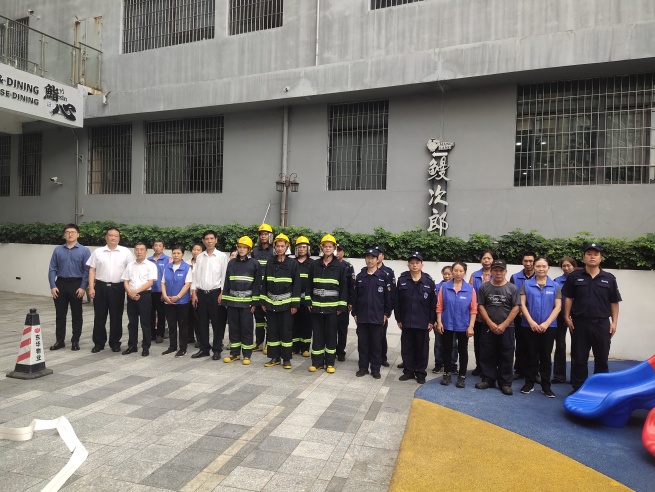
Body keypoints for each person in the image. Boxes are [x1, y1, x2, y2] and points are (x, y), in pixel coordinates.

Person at [562, 243, 621, 395]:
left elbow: (614, 302)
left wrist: (614, 322)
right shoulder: (574, 277)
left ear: (601, 258)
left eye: (596, 254)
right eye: (589, 254)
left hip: (601, 324)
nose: (592, 257)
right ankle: (578, 388)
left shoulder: (609, 278)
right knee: (579, 358)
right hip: (579, 324)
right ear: (583, 258)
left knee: (601, 358)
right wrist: (566, 316)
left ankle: (599, 389)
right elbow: (568, 297)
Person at [475, 259, 521, 395]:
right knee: (487, 353)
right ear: (491, 272)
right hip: (488, 327)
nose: (498, 273)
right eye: (495, 270)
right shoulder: (484, 287)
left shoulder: (512, 288)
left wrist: (504, 324)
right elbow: (481, 306)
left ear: (505, 272)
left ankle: (505, 383)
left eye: (501, 270)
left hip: (507, 327)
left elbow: (516, 307)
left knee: (506, 355)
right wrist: (490, 323)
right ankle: (488, 379)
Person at [87, 227, 135, 353]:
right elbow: (92, 270)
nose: (113, 237)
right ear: (106, 237)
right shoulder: (98, 252)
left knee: (116, 317)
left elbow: (131, 270)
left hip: (117, 288)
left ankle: (115, 343)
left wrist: (129, 289)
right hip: (100, 287)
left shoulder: (125, 252)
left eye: (116, 236)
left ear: (119, 238)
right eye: (110, 235)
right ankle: (99, 343)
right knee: (99, 316)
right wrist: (91, 287)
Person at [519, 257, 561, 398]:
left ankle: (546, 386)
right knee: (530, 355)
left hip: (549, 327)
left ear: (548, 268)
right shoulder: (526, 284)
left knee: (546, 357)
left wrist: (546, 323)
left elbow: (558, 307)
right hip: (529, 326)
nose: (541, 269)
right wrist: (531, 322)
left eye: (544, 266)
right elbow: (522, 304)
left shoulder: (555, 286)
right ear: (534, 267)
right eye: (538, 266)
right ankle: (529, 383)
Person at [307, 234, 348, 374]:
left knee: (331, 336)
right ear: (322, 248)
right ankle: (317, 363)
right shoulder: (314, 265)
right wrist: (308, 301)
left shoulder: (340, 266)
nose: (328, 248)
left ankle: (330, 363)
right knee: (317, 336)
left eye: (330, 246)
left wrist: (341, 306)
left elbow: (344, 288)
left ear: (334, 248)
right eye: (325, 246)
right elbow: (309, 285)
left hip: (332, 308)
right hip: (316, 307)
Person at [47, 223, 91, 351]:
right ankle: (59, 341)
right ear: (64, 235)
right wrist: (52, 285)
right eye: (67, 232)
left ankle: (75, 340)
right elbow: (52, 268)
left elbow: (87, 270)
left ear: (78, 234)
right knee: (60, 314)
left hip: (77, 284)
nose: (70, 234)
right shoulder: (58, 250)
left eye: (73, 232)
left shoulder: (84, 251)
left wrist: (83, 287)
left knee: (77, 314)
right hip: (60, 284)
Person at [396, 252, 436, 385]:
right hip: (406, 321)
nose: (414, 265)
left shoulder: (428, 281)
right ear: (408, 265)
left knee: (422, 349)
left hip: (423, 322)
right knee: (407, 348)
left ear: (422, 265)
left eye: (417, 263)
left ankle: (420, 373)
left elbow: (433, 304)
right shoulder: (402, 280)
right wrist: (398, 319)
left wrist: (431, 321)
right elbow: (397, 302)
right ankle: (408, 371)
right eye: (412, 263)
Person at [260, 233, 300, 369]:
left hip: (286, 304)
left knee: (286, 332)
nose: (280, 248)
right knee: (272, 331)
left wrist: (295, 304)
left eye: (282, 246)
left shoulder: (293, 263)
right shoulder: (270, 262)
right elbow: (265, 282)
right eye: (277, 246)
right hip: (271, 304)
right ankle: (274, 357)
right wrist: (263, 302)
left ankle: (286, 359)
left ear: (287, 247)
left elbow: (296, 285)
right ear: (275, 247)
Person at [352, 248, 392, 379]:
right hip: (362, 317)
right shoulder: (360, 277)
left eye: (373, 258)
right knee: (363, 345)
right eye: (368, 257)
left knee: (376, 345)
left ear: (377, 259)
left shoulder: (383, 276)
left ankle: (375, 369)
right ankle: (363, 368)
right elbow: (355, 297)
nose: (370, 260)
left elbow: (388, 298)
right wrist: (355, 313)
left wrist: (386, 314)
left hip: (377, 317)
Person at [437, 262, 477, 388]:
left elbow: (473, 309)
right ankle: (447, 373)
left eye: (461, 271)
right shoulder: (445, 287)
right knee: (447, 349)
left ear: (464, 272)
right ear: (452, 271)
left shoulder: (470, 289)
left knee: (463, 350)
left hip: (463, 325)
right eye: (455, 270)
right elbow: (439, 306)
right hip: (447, 323)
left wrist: (471, 326)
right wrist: (439, 322)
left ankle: (462, 375)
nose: (458, 273)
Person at [190, 230, 229, 360]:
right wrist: (194, 292)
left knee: (218, 323)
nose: (209, 241)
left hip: (216, 293)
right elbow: (196, 276)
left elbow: (224, 276)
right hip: (201, 293)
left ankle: (217, 349)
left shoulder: (222, 256)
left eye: (212, 238)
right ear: (203, 241)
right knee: (202, 323)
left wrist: (222, 293)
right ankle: (204, 348)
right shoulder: (200, 257)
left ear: (216, 240)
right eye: (206, 239)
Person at [222, 236, 260, 365]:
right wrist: (225, 301)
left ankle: (247, 355)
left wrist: (254, 302)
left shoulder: (254, 263)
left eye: (244, 247)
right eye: (240, 247)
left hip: (247, 303)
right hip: (232, 302)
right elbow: (227, 282)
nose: (241, 249)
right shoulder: (231, 263)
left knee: (246, 328)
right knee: (234, 328)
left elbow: (257, 284)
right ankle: (234, 354)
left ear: (249, 249)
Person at [121, 242, 158, 356]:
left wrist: (136, 291)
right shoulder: (130, 265)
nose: (139, 252)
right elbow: (126, 280)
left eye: (142, 249)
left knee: (145, 322)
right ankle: (132, 346)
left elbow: (150, 282)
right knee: (132, 322)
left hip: (144, 296)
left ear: (146, 251)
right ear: (134, 251)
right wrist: (130, 292)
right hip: (131, 296)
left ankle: (146, 347)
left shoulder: (151, 265)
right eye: (137, 249)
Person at [161, 245, 192, 357]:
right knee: (171, 325)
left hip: (182, 302)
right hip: (168, 301)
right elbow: (163, 283)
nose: (176, 255)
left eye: (178, 253)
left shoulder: (187, 268)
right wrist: (165, 296)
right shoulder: (167, 267)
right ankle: (172, 346)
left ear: (182, 254)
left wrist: (178, 296)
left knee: (182, 326)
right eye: (174, 253)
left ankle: (183, 348)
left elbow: (187, 284)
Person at [468, 250, 496, 376]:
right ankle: (479, 366)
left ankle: (490, 366)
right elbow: (470, 292)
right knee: (478, 341)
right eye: (484, 258)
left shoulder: (497, 274)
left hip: (493, 314)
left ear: (493, 260)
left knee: (490, 342)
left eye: (489, 258)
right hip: (478, 315)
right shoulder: (475, 275)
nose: (487, 260)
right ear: (481, 260)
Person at [510, 251, 536, 380]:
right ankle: (519, 370)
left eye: (531, 261)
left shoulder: (540, 276)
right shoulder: (515, 277)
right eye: (526, 261)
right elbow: (512, 295)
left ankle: (534, 371)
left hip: (536, 317)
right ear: (522, 262)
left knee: (535, 345)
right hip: (519, 316)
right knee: (520, 344)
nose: (528, 263)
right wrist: (520, 310)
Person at [552, 257, 578, 383]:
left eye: (569, 265)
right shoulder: (556, 281)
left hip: (576, 317)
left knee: (577, 346)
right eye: (564, 266)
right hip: (560, 317)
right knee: (560, 346)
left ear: (574, 266)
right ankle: (559, 376)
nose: (566, 268)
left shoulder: (579, 279)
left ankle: (575, 377)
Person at [251, 223, 275, 353]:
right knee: (258, 318)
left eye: (265, 234)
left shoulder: (274, 250)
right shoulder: (254, 251)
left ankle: (269, 343)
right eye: (261, 234)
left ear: (270, 236)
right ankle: (259, 343)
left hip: (269, 288)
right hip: (257, 287)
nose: (263, 236)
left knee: (270, 318)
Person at [432, 265, 458, 374]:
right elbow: (434, 305)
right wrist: (434, 320)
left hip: (453, 322)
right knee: (438, 344)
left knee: (453, 344)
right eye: (445, 274)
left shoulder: (457, 287)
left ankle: (452, 365)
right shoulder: (437, 287)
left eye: (449, 274)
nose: (447, 276)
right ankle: (438, 364)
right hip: (439, 321)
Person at [293, 236, 314, 357]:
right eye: (299, 247)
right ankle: (295, 347)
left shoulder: (312, 263)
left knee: (306, 324)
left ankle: (305, 348)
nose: (301, 249)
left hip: (306, 300)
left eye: (304, 247)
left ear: (308, 249)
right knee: (294, 323)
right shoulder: (292, 262)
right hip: (294, 299)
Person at [375, 245, 396, 368]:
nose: (377, 256)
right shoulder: (365, 270)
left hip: (382, 310)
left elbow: (392, 292)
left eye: (379, 254)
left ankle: (383, 358)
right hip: (369, 310)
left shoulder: (388, 272)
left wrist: (388, 312)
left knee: (382, 335)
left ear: (383, 256)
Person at [335, 243, 356, 362]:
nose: (338, 252)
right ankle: (332, 350)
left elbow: (352, 286)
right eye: (336, 250)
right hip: (331, 302)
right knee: (331, 329)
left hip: (344, 302)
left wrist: (351, 302)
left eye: (340, 250)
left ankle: (341, 351)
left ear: (343, 252)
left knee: (342, 329)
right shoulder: (329, 264)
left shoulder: (348, 266)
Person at [148, 240, 170, 344]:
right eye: (155, 245)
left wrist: (165, 292)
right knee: (150, 313)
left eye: (160, 246)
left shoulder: (168, 260)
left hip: (161, 291)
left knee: (161, 313)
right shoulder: (148, 260)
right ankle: (151, 334)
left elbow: (168, 276)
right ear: (153, 247)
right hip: (149, 290)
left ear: (163, 248)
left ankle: (160, 334)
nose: (157, 247)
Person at [187, 243, 203, 346]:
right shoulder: (187, 263)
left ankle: (200, 339)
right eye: (194, 249)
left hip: (197, 293)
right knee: (189, 317)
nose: (195, 252)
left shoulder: (203, 263)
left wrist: (195, 292)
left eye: (198, 250)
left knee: (198, 318)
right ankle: (190, 337)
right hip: (186, 293)